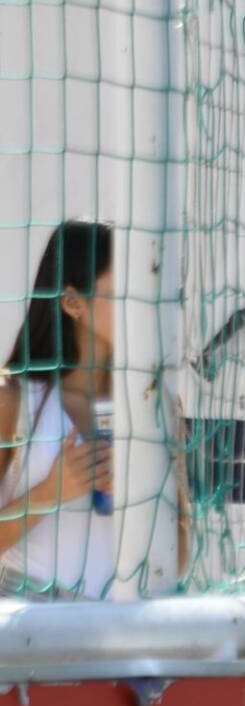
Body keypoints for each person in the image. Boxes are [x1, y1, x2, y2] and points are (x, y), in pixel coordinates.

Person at [0, 221, 115, 598]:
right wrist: (52, 491)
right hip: (30, 631)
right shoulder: (13, 397)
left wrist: (140, 493)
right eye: (122, 291)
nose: (142, 306)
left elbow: (178, 556)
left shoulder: (154, 404)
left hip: (126, 632)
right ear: (71, 303)